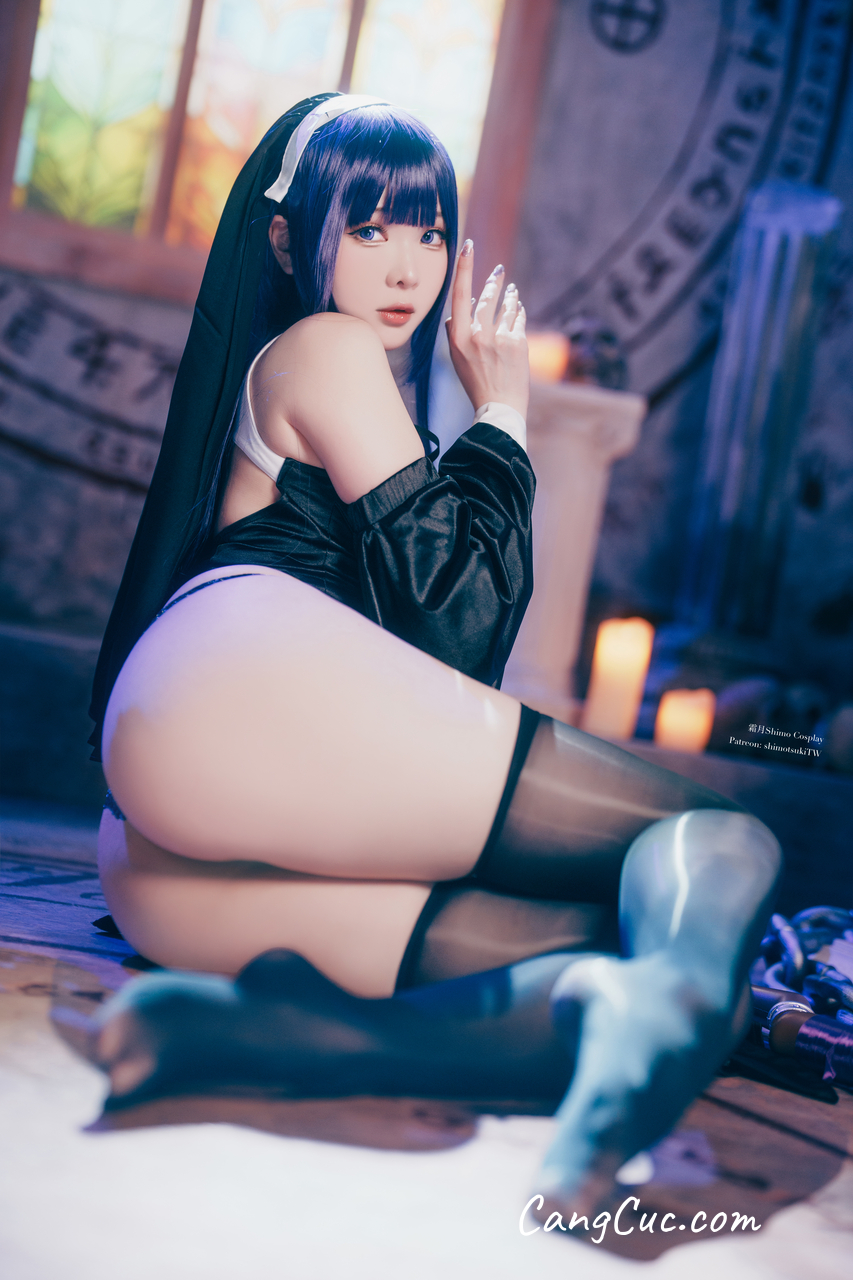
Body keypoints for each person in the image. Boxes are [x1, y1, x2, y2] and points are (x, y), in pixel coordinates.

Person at [89, 94, 781, 1204]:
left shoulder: (319, 376)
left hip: (159, 851)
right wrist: (501, 415)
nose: (407, 266)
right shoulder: (326, 348)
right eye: (367, 229)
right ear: (289, 241)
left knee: (611, 950)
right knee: (717, 833)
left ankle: (252, 1036)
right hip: (237, 687)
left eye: (428, 231)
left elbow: (426, 631)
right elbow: (457, 624)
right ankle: (674, 1003)